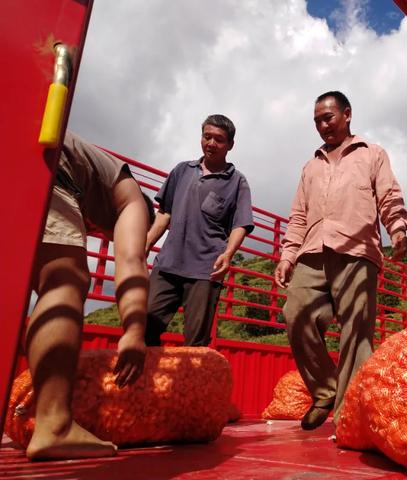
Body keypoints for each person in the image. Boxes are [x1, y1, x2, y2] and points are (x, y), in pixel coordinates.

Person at [274, 91, 407, 430]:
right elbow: (297, 215)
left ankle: (350, 415)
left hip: (357, 250)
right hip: (312, 252)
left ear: (347, 115)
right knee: (295, 314)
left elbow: (389, 194)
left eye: (328, 118)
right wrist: (288, 254)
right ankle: (325, 390)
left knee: (356, 331)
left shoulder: (372, 154)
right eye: (317, 121)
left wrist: (397, 228)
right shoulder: (311, 166)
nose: (322, 126)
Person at [27, 130, 153, 460]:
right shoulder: (131, 198)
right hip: (43, 165)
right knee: (64, 279)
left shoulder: (94, 171)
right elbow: (131, 259)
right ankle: (53, 425)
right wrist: (135, 331)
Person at [145, 115, 254, 347]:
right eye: (207, 137)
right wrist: (145, 243)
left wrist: (229, 253)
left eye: (219, 140)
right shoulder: (182, 170)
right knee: (143, 326)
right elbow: (164, 214)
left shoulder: (237, 181)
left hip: (206, 270)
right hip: (168, 264)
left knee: (195, 343)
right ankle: (150, 382)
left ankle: (187, 383)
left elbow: (241, 224)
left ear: (230, 145)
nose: (211, 143)